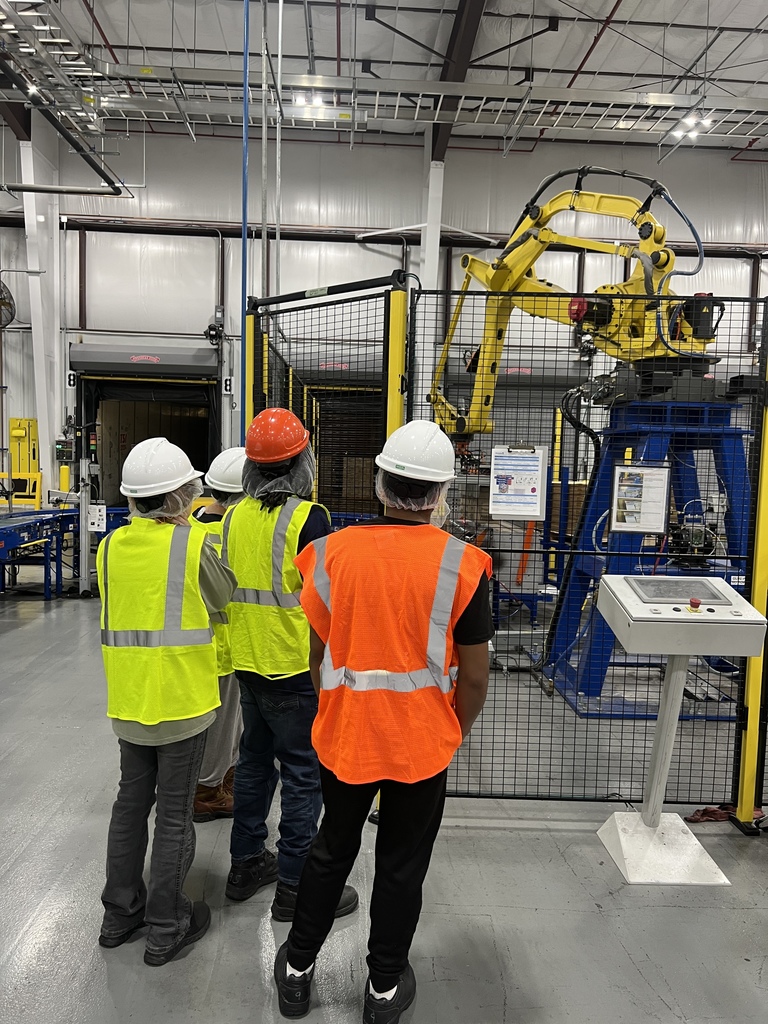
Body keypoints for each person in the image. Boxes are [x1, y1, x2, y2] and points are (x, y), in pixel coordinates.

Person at [272, 419, 494, 1022]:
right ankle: (382, 990)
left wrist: (337, 705)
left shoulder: (330, 555)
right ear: (442, 494)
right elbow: (474, 676)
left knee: (329, 852)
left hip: (345, 739)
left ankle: (296, 971)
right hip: (422, 746)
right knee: (402, 865)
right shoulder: (464, 566)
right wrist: (453, 729)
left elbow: (318, 654)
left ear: (379, 484)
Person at [96, 437, 237, 967]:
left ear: (132, 499)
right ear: (181, 496)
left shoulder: (108, 547)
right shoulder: (193, 545)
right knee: (175, 813)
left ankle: (119, 914)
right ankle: (165, 924)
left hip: (129, 700)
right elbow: (224, 596)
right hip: (181, 702)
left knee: (130, 806)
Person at [222, 408, 358, 922]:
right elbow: (329, 599)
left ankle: (244, 866)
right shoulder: (310, 518)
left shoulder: (232, 516)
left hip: (248, 665)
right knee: (303, 774)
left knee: (254, 763)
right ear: (303, 460)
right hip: (295, 670)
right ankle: (296, 888)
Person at [190, 447, 247, 822]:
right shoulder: (238, 532)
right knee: (224, 724)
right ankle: (208, 792)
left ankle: (223, 781)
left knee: (224, 723)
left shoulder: (191, 525)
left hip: (195, 642)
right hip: (227, 645)